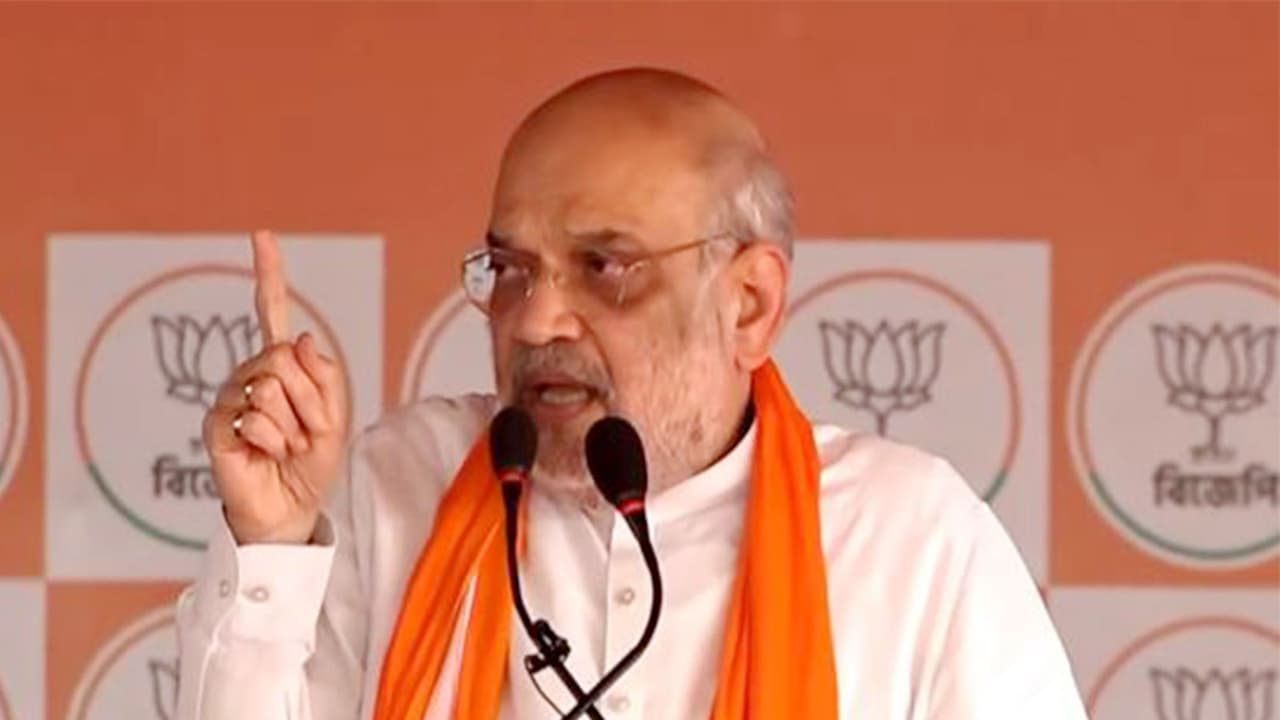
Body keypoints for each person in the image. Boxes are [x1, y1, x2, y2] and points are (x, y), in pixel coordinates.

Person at [175, 68, 1088, 720]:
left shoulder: (909, 540)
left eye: (604, 268)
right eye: (510, 269)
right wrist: (272, 546)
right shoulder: (400, 487)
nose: (536, 321)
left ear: (749, 304)